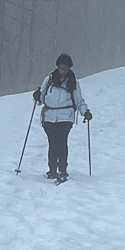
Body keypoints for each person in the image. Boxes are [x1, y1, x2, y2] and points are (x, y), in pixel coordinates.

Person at [33, 53, 92, 182]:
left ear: (69, 68)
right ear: (58, 67)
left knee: (61, 142)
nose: (63, 71)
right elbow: (40, 99)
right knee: (53, 143)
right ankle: (53, 170)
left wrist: (85, 112)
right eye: (61, 68)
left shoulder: (73, 82)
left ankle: (62, 170)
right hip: (49, 116)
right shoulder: (49, 79)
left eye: (66, 68)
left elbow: (79, 101)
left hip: (66, 116)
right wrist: (37, 96)